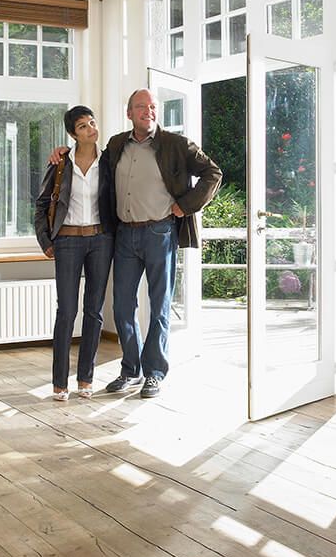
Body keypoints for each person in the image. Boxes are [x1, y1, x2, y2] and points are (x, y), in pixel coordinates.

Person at [54, 89, 221, 399]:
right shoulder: (116, 144)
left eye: (153, 106)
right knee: (122, 306)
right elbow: (85, 159)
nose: (149, 111)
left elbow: (214, 172)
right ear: (129, 113)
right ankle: (131, 369)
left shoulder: (175, 144)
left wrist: (186, 205)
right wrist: (61, 152)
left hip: (160, 233)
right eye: (141, 107)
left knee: (159, 307)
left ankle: (154, 372)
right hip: (124, 235)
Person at [34, 106, 114, 401]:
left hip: (101, 240)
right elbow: (42, 205)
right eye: (83, 126)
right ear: (72, 133)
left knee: (94, 311)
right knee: (67, 311)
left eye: (92, 122)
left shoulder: (108, 161)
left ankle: (85, 379)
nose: (91, 129)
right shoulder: (60, 163)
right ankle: (59, 383)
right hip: (67, 241)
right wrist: (46, 241)